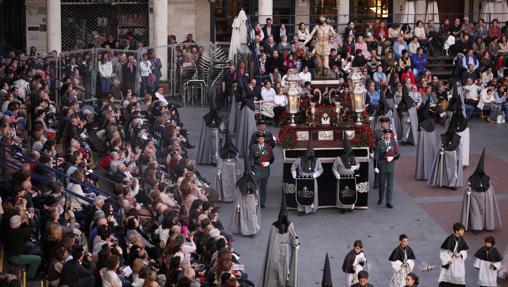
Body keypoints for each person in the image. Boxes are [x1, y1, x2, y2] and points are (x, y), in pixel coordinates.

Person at [260, 192, 298, 287]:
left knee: (276, 268)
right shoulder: (289, 225)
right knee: (282, 268)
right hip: (283, 250)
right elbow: (294, 238)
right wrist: (296, 244)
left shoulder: (275, 226)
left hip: (275, 250)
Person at [460, 148, 502, 233]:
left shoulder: (487, 179)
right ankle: (477, 227)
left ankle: (487, 225)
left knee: (485, 211)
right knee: (475, 211)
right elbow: (468, 186)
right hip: (474, 196)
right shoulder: (471, 179)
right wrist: (468, 191)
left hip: (485, 197)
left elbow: (489, 189)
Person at [291, 135, 323, 216]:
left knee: (311, 194)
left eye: (311, 153)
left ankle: (312, 209)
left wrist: (317, 174)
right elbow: (293, 166)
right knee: (302, 194)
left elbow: (321, 169)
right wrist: (294, 173)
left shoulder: (317, 160)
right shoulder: (300, 159)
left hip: (312, 179)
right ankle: (301, 210)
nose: (310, 154)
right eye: (309, 153)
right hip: (302, 179)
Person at [229, 158, 261, 237]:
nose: (248, 173)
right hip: (243, 201)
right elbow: (238, 194)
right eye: (247, 172)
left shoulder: (254, 181)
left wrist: (256, 202)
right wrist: (238, 204)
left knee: (252, 216)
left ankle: (252, 231)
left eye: (249, 172)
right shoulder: (241, 182)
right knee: (244, 217)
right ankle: (246, 231)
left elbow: (256, 193)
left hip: (251, 201)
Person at [4, 214, 42, 280]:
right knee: (38, 259)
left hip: (11, 251)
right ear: (19, 224)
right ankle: (29, 275)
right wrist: (30, 219)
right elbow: (31, 228)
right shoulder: (20, 233)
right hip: (15, 257)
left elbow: (24, 230)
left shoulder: (8, 229)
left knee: (31, 245)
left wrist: (23, 222)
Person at [428, 121, 464, 189]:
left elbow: (439, 147)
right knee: (452, 170)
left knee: (448, 170)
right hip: (452, 155)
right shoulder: (457, 139)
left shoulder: (444, 137)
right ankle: (450, 183)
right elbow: (459, 151)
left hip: (449, 155)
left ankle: (449, 182)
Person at [332, 132, 360, 211]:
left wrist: (356, 167)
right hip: (342, 178)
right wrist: (336, 174)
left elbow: (358, 165)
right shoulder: (339, 158)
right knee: (342, 193)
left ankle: (350, 206)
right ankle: (342, 207)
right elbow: (333, 168)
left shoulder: (353, 157)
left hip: (351, 178)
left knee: (351, 193)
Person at [374, 128, 400, 208]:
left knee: (390, 184)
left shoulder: (393, 143)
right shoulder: (380, 143)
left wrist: (393, 157)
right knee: (382, 183)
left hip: (391, 165)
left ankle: (389, 201)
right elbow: (376, 156)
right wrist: (376, 166)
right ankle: (381, 198)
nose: (388, 136)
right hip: (382, 165)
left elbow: (397, 154)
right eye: (386, 134)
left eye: (389, 134)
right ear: (384, 135)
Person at [438, 223, 469, 287]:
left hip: (458, 262)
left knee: (459, 279)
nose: (463, 231)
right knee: (447, 280)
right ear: (456, 231)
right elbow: (443, 252)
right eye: (462, 230)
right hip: (450, 263)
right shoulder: (449, 239)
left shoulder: (461, 239)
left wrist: (461, 254)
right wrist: (448, 260)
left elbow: (464, 250)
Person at [249, 132, 274, 209]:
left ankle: (262, 202)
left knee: (263, 187)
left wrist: (269, 163)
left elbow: (272, 157)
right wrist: (250, 169)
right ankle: (255, 201)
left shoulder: (268, 147)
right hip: (256, 168)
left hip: (265, 169)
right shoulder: (253, 147)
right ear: (257, 139)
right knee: (256, 186)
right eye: (259, 138)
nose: (261, 140)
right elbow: (249, 159)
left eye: (262, 138)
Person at [415, 100, 438, 181]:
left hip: (423, 133)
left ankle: (423, 173)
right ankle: (432, 172)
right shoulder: (432, 124)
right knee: (431, 152)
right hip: (431, 140)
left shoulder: (421, 126)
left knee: (423, 152)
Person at [216, 130, 241, 203]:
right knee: (225, 183)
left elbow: (238, 160)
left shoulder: (234, 150)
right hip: (225, 167)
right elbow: (220, 160)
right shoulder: (223, 151)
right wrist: (219, 170)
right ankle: (226, 198)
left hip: (232, 167)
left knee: (233, 183)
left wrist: (238, 169)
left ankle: (232, 197)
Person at [196, 99, 223, 165]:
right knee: (215, 146)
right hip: (215, 131)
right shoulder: (218, 116)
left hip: (208, 132)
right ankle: (214, 160)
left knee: (209, 144)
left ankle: (206, 158)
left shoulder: (207, 117)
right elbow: (221, 127)